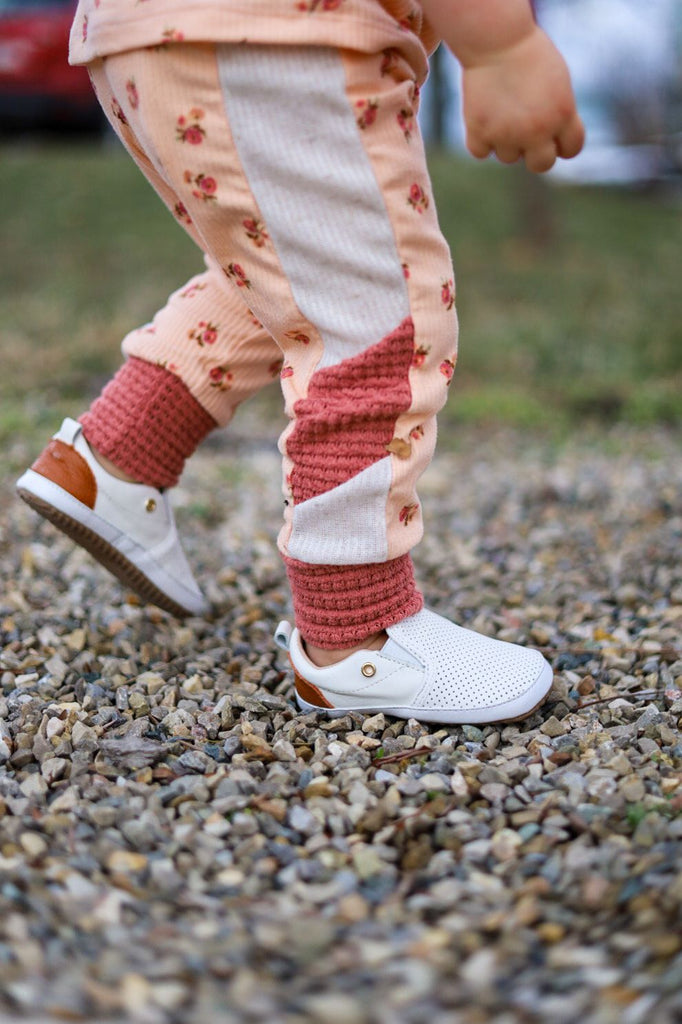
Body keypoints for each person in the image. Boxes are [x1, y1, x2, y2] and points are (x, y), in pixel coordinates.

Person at [16, 0, 584, 725]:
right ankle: (355, 634)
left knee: (296, 279)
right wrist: (504, 45)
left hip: (140, 37)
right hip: (280, 36)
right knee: (380, 322)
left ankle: (116, 459)